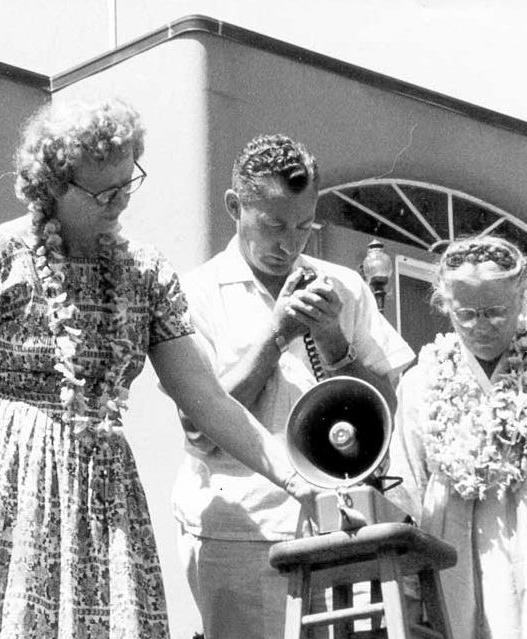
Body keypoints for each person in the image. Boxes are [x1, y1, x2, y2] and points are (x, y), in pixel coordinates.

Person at [0, 100, 314, 639]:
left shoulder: (145, 273)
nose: (119, 201)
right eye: (102, 192)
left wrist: (293, 475)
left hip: (101, 495)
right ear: (52, 184)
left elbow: (207, 399)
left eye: (127, 183)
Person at [170, 133, 416, 639]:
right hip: (240, 534)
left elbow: (388, 408)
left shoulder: (342, 286)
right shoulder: (193, 295)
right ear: (234, 207)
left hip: (340, 529)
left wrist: (333, 342)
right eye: (274, 224)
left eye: (305, 226)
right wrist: (276, 335)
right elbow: (200, 429)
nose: (290, 244)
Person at [387, 236, 527, 639]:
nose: (481, 326)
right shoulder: (422, 380)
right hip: (450, 551)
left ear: (521, 299)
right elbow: (406, 483)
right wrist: (404, 582)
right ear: (446, 306)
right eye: (467, 314)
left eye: (496, 312)